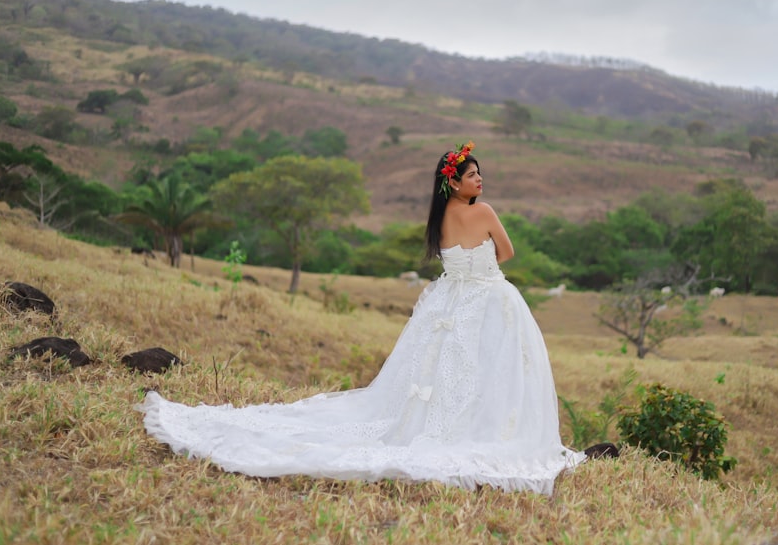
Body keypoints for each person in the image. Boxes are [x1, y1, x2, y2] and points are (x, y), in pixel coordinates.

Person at [136, 141, 585, 494]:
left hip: (449, 301)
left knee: (439, 375)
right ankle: (486, 432)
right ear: (454, 183)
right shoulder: (482, 213)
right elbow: (506, 253)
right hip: (488, 299)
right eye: (472, 175)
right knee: (484, 372)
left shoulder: (439, 219)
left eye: (480, 174)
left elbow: (452, 257)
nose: (480, 180)